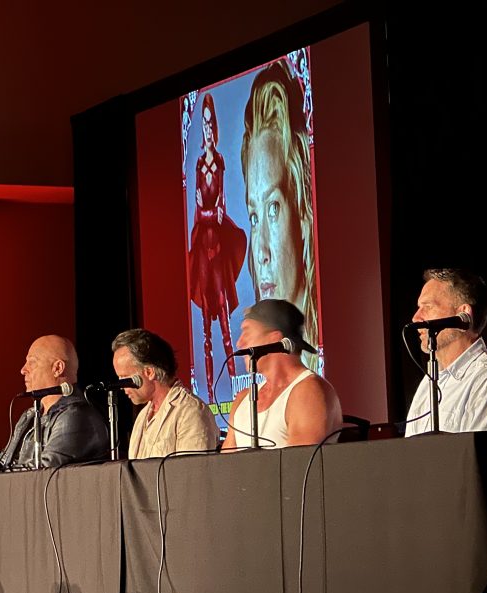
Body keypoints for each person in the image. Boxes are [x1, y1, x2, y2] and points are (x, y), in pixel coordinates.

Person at [240, 59, 319, 372]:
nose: (261, 254)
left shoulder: (311, 389)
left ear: (301, 214)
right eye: (254, 217)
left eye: (273, 208)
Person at [0, 335, 108, 473]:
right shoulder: (30, 415)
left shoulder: (76, 415)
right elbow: (3, 462)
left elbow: (44, 469)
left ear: (57, 368)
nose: (23, 370)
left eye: (32, 362)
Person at [404, 268, 487, 436]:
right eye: (419, 307)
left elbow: (475, 457)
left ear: (463, 315)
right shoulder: (430, 380)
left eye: (428, 307)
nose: (416, 318)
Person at [188, 92, 247, 398]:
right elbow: (201, 213)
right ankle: (209, 394)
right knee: (206, 329)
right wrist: (209, 213)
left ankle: (236, 389)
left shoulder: (218, 161)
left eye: (211, 123)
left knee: (224, 323)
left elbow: (218, 208)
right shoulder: (199, 163)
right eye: (205, 123)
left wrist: (209, 212)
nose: (208, 129)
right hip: (203, 252)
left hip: (219, 251)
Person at [221, 299, 342, 450]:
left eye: (247, 332)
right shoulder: (242, 399)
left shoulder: (308, 392)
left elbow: (300, 466)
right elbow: (225, 467)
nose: (239, 343)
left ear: (275, 338)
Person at [111, 329, 219, 459]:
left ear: (149, 372)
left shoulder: (191, 412)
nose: (122, 387)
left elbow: (192, 475)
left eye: (125, 378)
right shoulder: (142, 417)